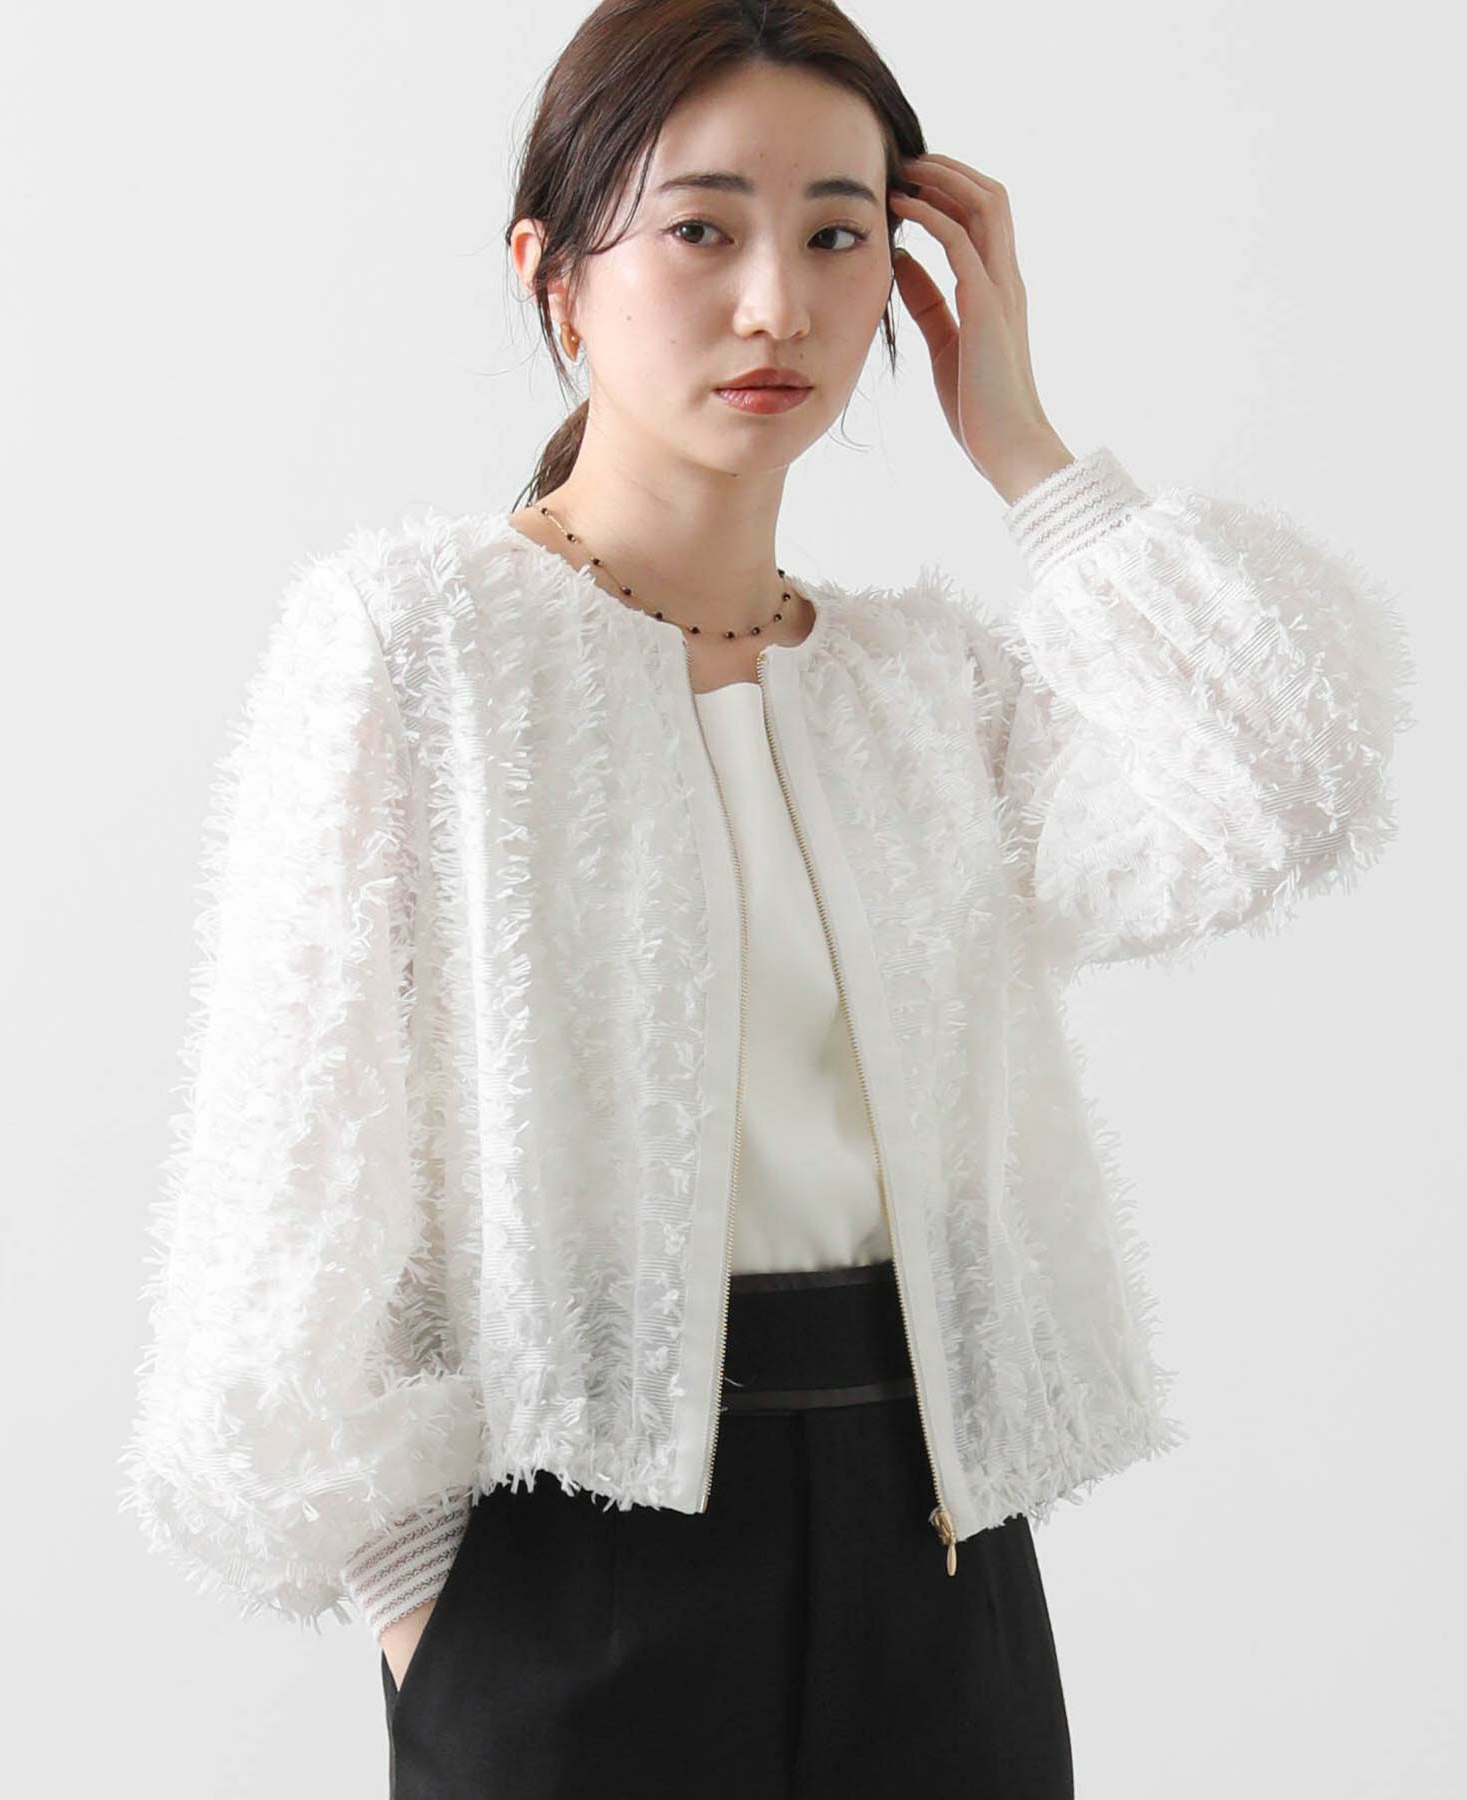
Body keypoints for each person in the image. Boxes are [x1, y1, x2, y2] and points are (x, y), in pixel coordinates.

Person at [117, 3, 1417, 1795]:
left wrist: (1027, 452)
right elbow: (292, 1187)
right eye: (701, 228)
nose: (775, 305)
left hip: (938, 1552)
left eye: (836, 234)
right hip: (566, 1572)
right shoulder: (419, 648)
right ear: (552, 275)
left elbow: (1291, 779)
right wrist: (437, 1617)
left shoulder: (924, 689)